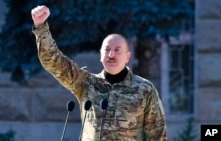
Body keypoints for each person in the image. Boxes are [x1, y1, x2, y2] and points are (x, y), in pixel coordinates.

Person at [31, 5, 167, 141]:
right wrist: (41, 28)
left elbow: (158, 135)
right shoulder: (86, 83)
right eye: (107, 49)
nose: (111, 54)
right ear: (100, 55)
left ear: (127, 56)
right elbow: (54, 62)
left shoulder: (145, 89)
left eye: (117, 50)